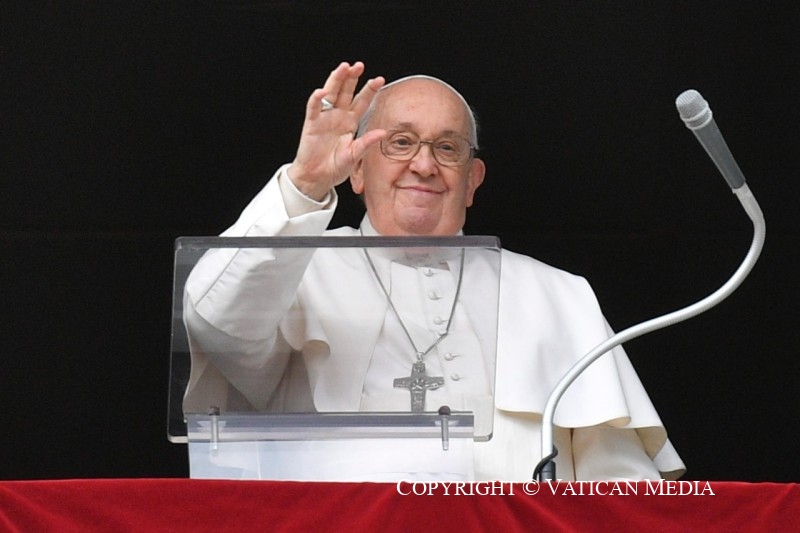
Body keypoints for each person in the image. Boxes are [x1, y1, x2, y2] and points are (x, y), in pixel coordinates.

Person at [182, 61, 685, 481]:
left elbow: (619, 481)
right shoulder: (294, 268)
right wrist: (305, 183)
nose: (424, 165)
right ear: (357, 168)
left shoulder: (556, 294)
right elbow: (217, 324)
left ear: (472, 181)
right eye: (400, 142)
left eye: (447, 148)